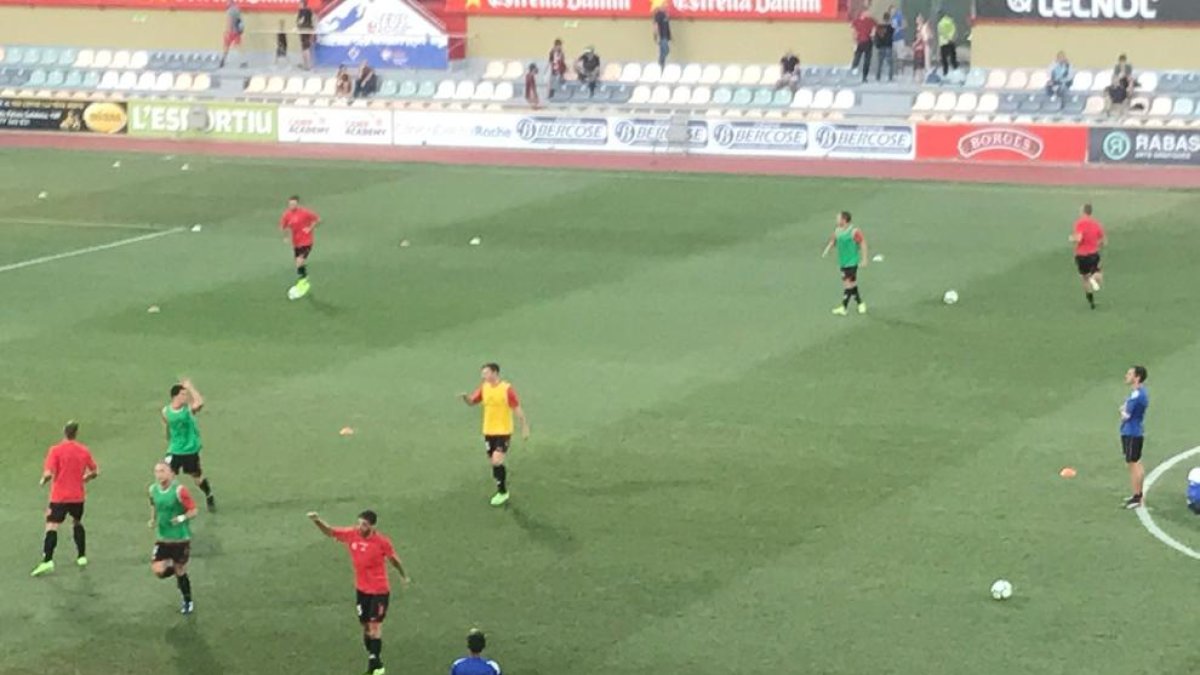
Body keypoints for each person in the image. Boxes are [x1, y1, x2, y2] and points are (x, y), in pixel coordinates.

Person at [308, 510, 410, 675]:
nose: (360, 527)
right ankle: (376, 661)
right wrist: (317, 520)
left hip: (379, 590)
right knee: (366, 628)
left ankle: (374, 664)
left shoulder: (381, 542)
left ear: (372, 526)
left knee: (375, 626)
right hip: (362, 590)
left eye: (364, 524)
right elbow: (330, 532)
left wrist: (403, 575)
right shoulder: (352, 534)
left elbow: (394, 559)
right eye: (359, 523)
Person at [31, 421, 99, 577]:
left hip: (59, 496)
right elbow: (95, 470)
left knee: (52, 526)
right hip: (77, 496)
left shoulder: (55, 450)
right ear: (76, 433)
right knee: (77, 522)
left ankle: (47, 560)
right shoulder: (83, 450)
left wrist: (43, 479)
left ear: (64, 432)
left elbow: (49, 472)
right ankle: (81, 556)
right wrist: (85, 478)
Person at [460, 363, 531, 506]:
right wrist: (465, 398)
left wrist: (524, 427)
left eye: (486, 373)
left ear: (495, 373)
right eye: (483, 374)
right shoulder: (484, 387)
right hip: (488, 431)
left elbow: (516, 408)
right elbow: (473, 401)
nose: (483, 376)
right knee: (494, 462)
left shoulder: (506, 389)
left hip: (503, 431)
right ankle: (501, 484)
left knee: (497, 460)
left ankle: (502, 492)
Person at [149, 461, 199, 614]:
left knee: (180, 570)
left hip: (180, 538)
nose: (159, 475)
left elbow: (194, 510)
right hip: (163, 538)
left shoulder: (179, 490)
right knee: (158, 570)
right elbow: (153, 504)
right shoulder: (153, 490)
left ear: (171, 473)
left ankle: (187, 600)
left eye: (162, 471)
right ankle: (174, 566)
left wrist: (181, 518)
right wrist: (152, 519)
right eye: (157, 471)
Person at [163, 379, 216, 512]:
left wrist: (190, 388)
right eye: (183, 394)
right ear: (175, 396)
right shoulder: (167, 411)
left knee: (197, 478)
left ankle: (208, 494)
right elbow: (168, 427)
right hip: (174, 450)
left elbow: (200, 403)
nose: (186, 397)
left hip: (189, 450)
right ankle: (171, 504)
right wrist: (190, 387)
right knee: (167, 475)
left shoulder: (186, 411)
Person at [821, 211, 869, 316]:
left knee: (848, 284)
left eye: (838, 218)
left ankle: (844, 307)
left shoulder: (854, 231)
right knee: (851, 284)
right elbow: (833, 240)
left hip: (852, 262)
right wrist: (827, 249)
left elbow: (863, 243)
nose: (836, 220)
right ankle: (860, 303)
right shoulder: (837, 230)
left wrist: (864, 259)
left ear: (844, 220)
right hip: (843, 262)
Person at [1118, 366, 1149, 510]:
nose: (1127, 376)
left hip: (1131, 432)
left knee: (1133, 464)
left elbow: (1126, 415)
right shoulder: (1140, 393)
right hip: (1134, 432)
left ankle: (1137, 496)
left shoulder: (1137, 395)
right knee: (1135, 462)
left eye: (1130, 374)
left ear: (1137, 377)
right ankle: (1138, 495)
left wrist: (1122, 411)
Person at [280, 195, 320, 298]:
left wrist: (310, 228)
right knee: (298, 264)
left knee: (299, 261)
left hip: (307, 242)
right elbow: (283, 227)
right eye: (290, 204)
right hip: (296, 243)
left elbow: (317, 219)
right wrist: (285, 237)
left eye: (294, 204)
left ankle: (304, 280)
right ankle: (303, 279)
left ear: (297, 204)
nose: (292, 205)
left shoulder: (305, 212)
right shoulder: (287, 215)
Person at [1069, 203, 1105, 310]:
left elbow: (1079, 238)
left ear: (1083, 211)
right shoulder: (1096, 224)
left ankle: (1091, 301)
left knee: (1085, 278)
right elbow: (1102, 240)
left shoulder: (1079, 223)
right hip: (1093, 254)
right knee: (1098, 274)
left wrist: (1072, 238)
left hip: (1081, 255)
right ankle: (1093, 279)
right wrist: (1096, 244)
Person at [220, 0, 247, 69]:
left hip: (231, 31)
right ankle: (243, 61)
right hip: (237, 31)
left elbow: (229, 22)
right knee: (238, 46)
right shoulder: (237, 9)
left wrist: (227, 32)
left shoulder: (229, 11)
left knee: (226, 46)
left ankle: (223, 60)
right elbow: (240, 20)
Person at [850, 9, 875, 83]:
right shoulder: (869, 21)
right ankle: (859, 74)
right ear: (863, 13)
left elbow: (853, 30)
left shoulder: (869, 20)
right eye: (868, 13)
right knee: (860, 58)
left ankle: (862, 76)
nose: (869, 14)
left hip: (864, 41)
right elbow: (854, 31)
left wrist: (872, 34)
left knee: (861, 58)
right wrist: (854, 41)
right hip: (863, 41)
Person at [874, 13, 895, 82]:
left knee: (880, 63)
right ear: (889, 19)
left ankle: (878, 76)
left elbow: (876, 36)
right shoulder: (890, 27)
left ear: (883, 18)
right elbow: (893, 34)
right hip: (888, 46)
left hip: (880, 46)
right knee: (890, 63)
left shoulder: (879, 27)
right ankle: (890, 77)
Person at [937, 11, 957, 76]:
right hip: (951, 42)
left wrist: (947, 38)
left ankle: (945, 73)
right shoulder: (950, 20)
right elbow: (953, 29)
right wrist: (951, 37)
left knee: (944, 59)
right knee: (953, 58)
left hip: (944, 43)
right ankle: (956, 70)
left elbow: (942, 32)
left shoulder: (940, 23)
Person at [297, 0, 315, 70]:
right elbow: (313, 19)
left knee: (305, 48)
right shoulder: (309, 10)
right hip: (306, 30)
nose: (298, 5)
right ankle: (306, 65)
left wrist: (297, 27)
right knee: (305, 48)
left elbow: (301, 20)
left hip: (304, 31)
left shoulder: (303, 11)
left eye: (299, 4)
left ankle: (308, 66)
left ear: (302, 4)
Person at [912, 14, 929, 82]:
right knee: (920, 64)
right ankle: (920, 77)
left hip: (920, 47)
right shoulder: (920, 27)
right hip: (919, 47)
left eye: (917, 19)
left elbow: (920, 37)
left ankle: (919, 78)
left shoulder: (921, 28)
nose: (916, 20)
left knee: (919, 63)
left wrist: (914, 44)